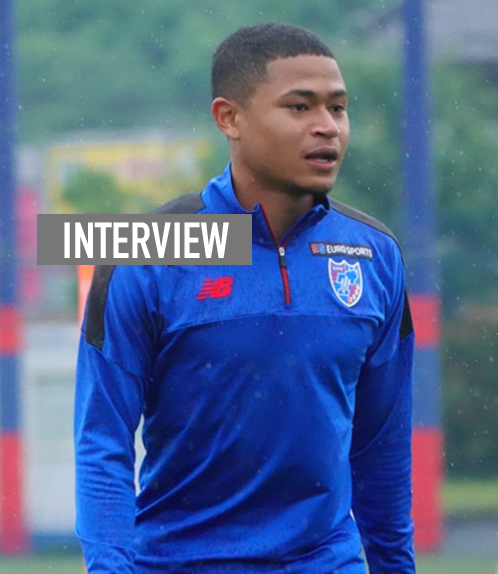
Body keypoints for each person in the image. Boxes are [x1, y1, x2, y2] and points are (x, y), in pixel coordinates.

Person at [74, 22, 415, 574]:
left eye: (338, 108)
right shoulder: (147, 251)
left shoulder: (374, 254)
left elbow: (382, 447)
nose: (327, 127)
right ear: (229, 118)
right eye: (300, 107)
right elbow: (102, 443)